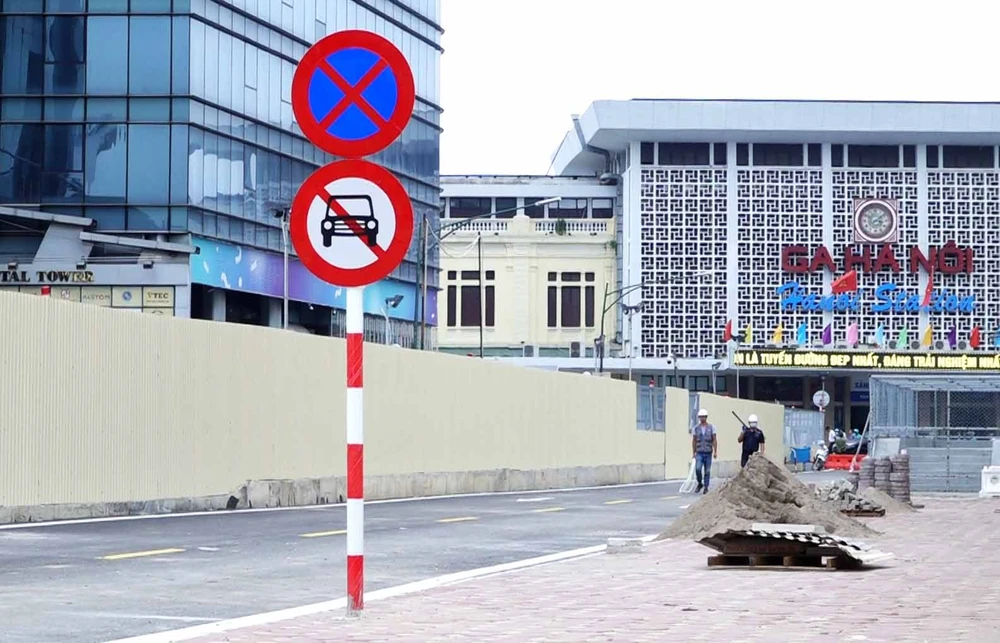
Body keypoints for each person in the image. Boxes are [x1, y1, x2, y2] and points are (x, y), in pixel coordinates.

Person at [691, 409, 717, 494]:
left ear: (706, 417)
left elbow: (714, 440)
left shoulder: (711, 427)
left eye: (704, 417)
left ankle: (706, 486)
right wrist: (693, 452)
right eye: (701, 417)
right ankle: (699, 483)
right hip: (699, 452)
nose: (702, 418)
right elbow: (694, 440)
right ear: (699, 418)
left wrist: (715, 452)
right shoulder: (696, 428)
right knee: (698, 469)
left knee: (707, 471)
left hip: (708, 452)